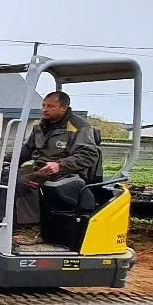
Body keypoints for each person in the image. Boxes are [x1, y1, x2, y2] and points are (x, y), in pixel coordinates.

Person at [14, 90, 101, 228]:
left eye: (50, 106)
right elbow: (29, 149)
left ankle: (31, 228)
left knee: (23, 181)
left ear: (63, 108)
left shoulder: (79, 127)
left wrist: (60, 165)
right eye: (43, 105)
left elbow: (89, 154)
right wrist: (9, 159)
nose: (44, 110)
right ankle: (2, 223)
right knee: (2, 177)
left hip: (66, 172)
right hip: (40, 167)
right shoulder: (40, 125)